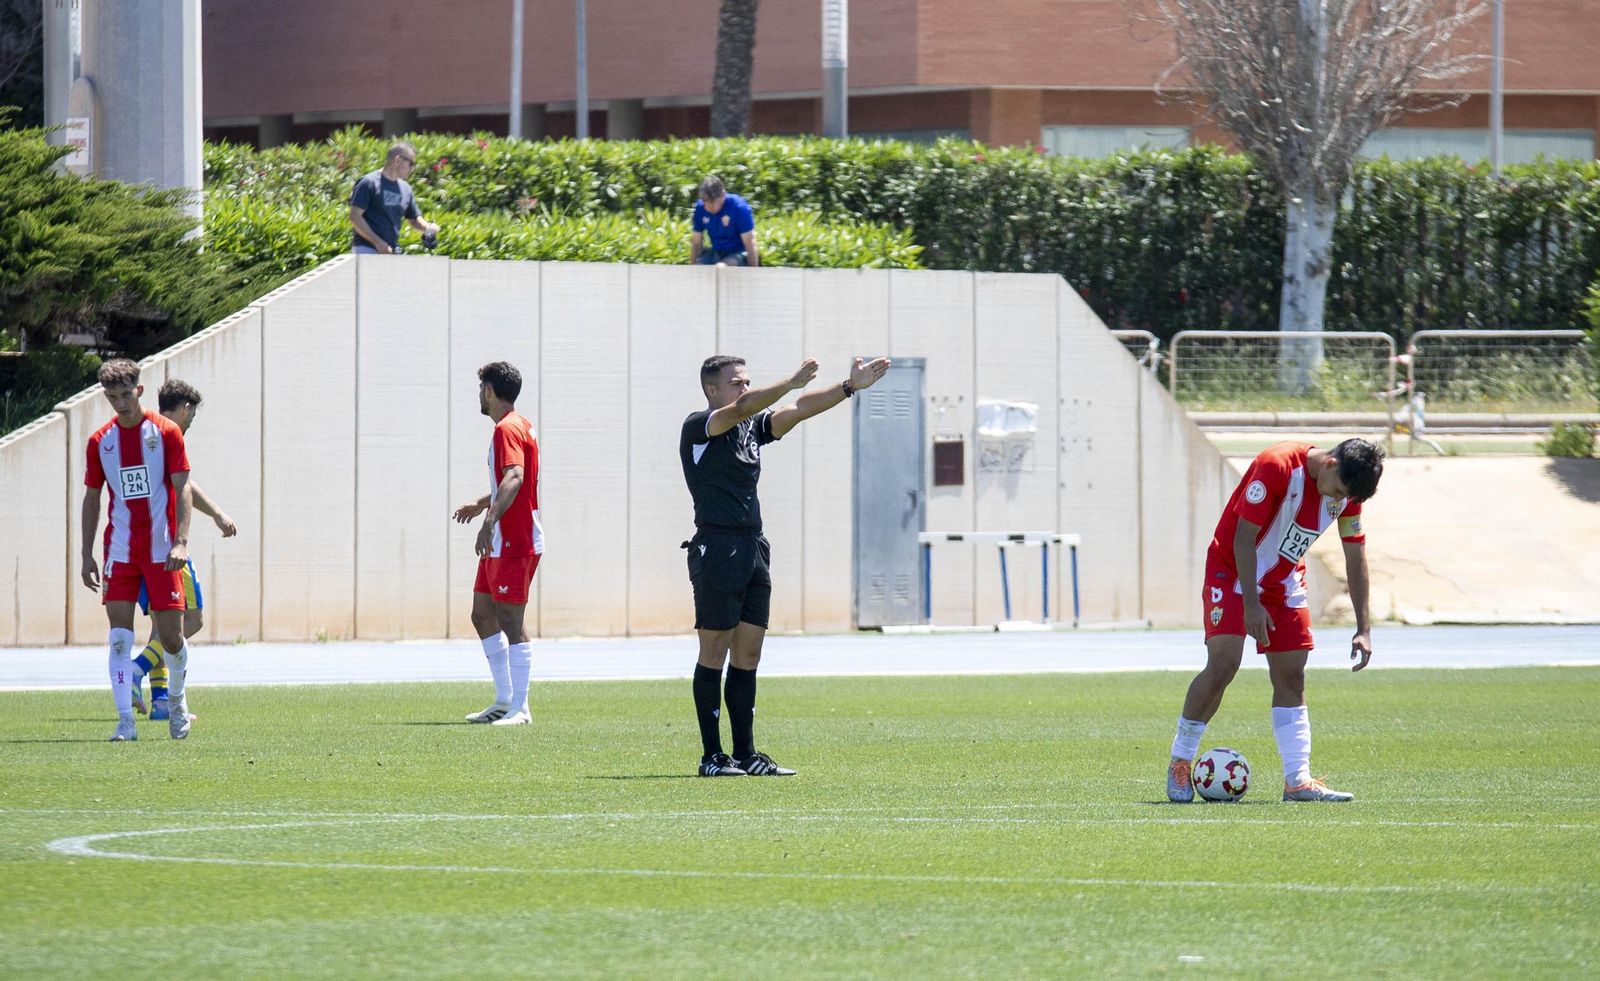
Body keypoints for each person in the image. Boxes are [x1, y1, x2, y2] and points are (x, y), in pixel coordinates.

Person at [680, 353, 891, 776]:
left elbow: (798, 410)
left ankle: (746, 755)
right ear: (712, 390)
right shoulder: (699, 426)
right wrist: (789, 381)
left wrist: (848, 387)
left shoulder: (750, 428)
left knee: (749, 654)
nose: (743, 387)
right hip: (717, 548)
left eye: (746, 381)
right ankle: (712, 757)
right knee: (714, 651)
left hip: (753, 547)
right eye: (736, 381)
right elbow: (742, 407)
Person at [1165, 438, 1385, 803]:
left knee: (1292, 675)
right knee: (1223, 664)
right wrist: (1251, 604)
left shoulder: (1348, 493)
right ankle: (1181, 761)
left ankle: (1297, 781)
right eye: (1339, 492)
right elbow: (1243, 537)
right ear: (1330, 464)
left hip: (1283, 578)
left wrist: (1363, 628)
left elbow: (1355, 552)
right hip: (1232, 571)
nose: (1338, 501)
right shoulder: (1277, 465)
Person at [80, 360, 196, 742]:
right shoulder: (101, 442)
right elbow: (93, 499)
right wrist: (86, 553)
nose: (121, 403)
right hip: (120, 552)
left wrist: (181, 541)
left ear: (140, 391)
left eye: (126, 394)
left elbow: (183, 488)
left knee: (173, 638)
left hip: (163, 552)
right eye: (112, 397)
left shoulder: (166, 433)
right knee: (118, 638)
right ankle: (125, 722)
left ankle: (176, 702)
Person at [127, 379, 237, 722]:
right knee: (191, 620)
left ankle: (161, 702)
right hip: (167, 548)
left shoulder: (140, 434)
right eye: (191, 415)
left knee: (162, 625)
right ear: (185, 408)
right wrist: (217, 514)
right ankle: (136, 669)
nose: (190, 423)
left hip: (137, 546)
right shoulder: (168, 435)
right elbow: (184, 485)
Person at [453, 361, 543, 726]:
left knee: (510, 618)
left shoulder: (506, 428)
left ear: (490, 391)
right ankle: (505, 699)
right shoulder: (518, 425)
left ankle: (521, 707)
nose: (479, 395)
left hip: (513, 540)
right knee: (482, 613)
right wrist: (482, 503)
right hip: (502, 541)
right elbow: (510, 481)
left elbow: (516, 477)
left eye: (480, 389)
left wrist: (489, 522)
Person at [349, 140, 439, 255]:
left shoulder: (405, 188)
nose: (412, 169)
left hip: (391, 251)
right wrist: (378, 243)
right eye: (411, 164)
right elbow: (355, 216)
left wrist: (428, 227)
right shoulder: (368, 182)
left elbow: (414, 219)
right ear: (397, 160)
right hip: (366, 249)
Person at [689, 175, 758, 267]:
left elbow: (750, 243)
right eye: (706, 203)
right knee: (699, 267)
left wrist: (754, 273)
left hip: (738, 253)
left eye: (713, 203)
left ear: (723, 196)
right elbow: (696, 243)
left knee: (721, 267)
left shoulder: (738, 207)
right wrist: (692, 270)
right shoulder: (700, 208)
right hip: (715, 252)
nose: (709, 207)